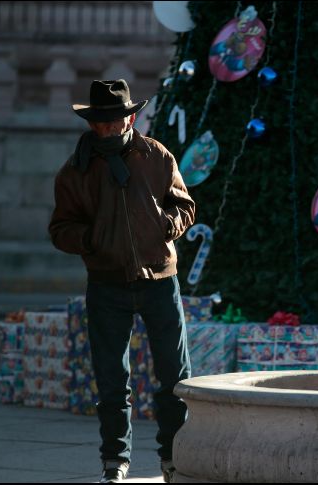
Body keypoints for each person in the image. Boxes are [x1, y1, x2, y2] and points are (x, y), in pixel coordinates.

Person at [48, 79, 195, 483]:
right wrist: (92, 240)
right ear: (93, 124)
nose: (110, 127)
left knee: (174, 377)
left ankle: (174, 458)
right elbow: (60, 229)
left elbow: (184, 205)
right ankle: (115, 463)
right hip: (107, 283)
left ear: (131, 117)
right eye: (102, 122)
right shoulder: (76, 170)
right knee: (112, 381)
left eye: (116, 119)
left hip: (160, 279)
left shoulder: (156, 155)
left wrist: (167, 225)